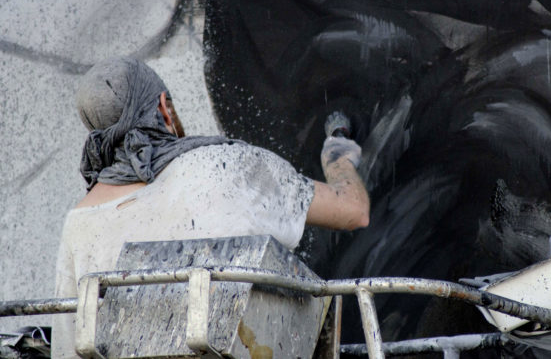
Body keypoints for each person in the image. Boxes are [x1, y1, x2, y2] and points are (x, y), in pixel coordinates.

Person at [52, 57, 369, 359]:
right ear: (163, 107)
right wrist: (339, 157)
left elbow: (68, 348)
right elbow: (353, 210)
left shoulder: (79, 221)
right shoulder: (228, 164)